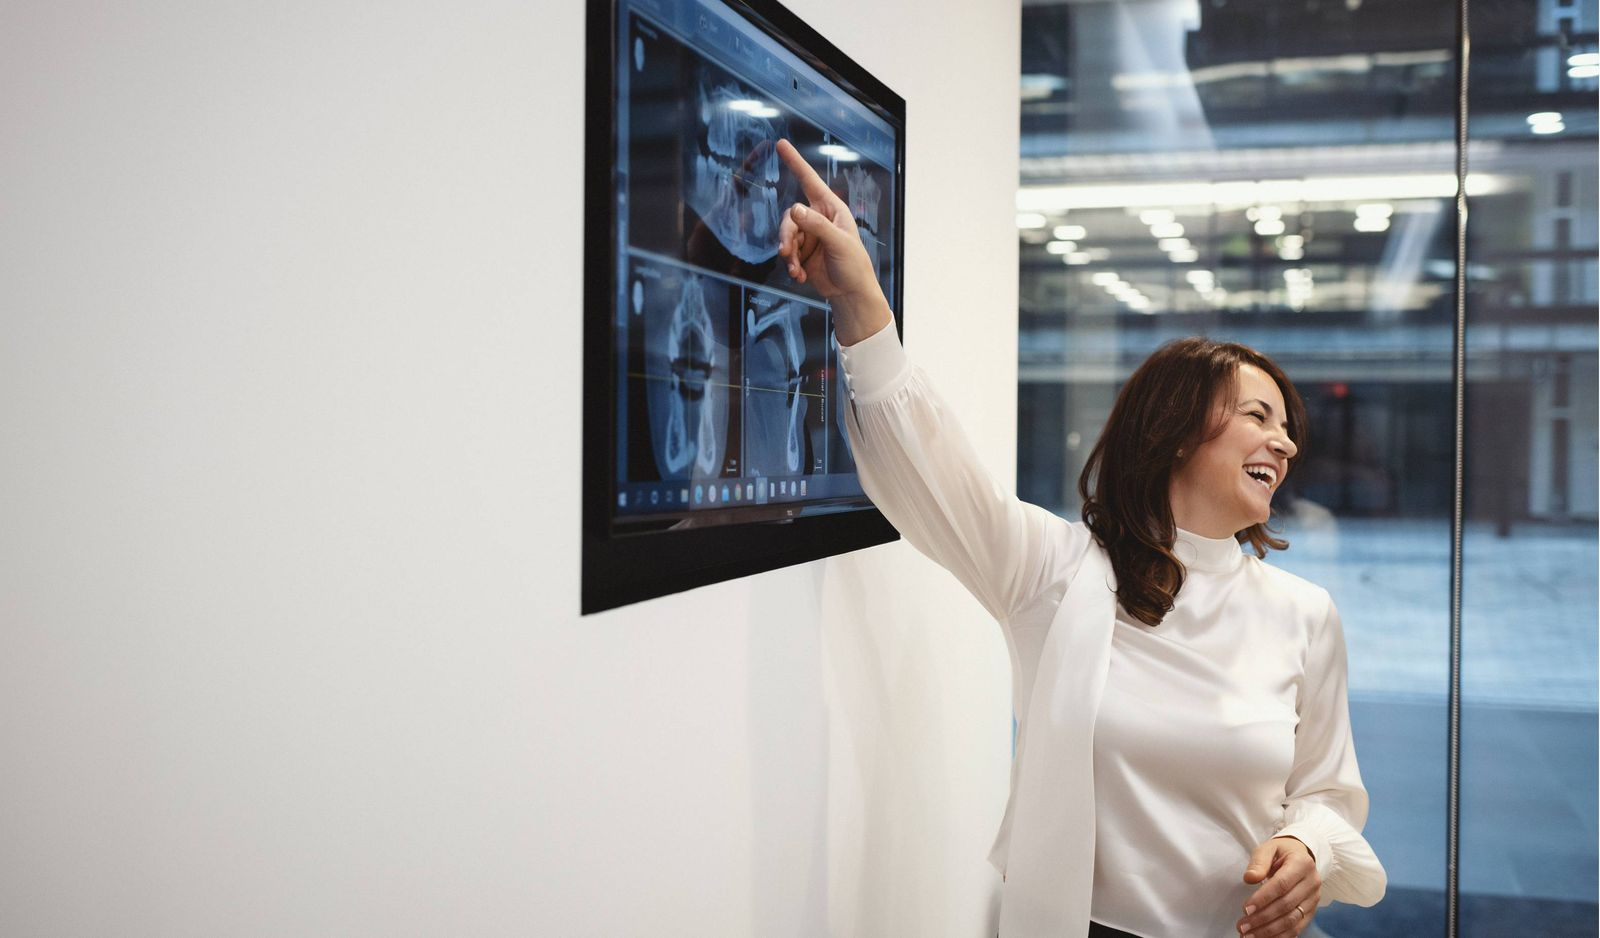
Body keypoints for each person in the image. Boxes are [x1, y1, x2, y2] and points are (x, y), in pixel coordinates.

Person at [772, 139, 1387, 938]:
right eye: (1258, 417)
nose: (1286, 443)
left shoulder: (1306, 613)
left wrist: (1307, 842)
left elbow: (1329, 792)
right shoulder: (1059, 573)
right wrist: (861, 307)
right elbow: (933, 472)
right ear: (1173, 433)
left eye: (1289, 429)